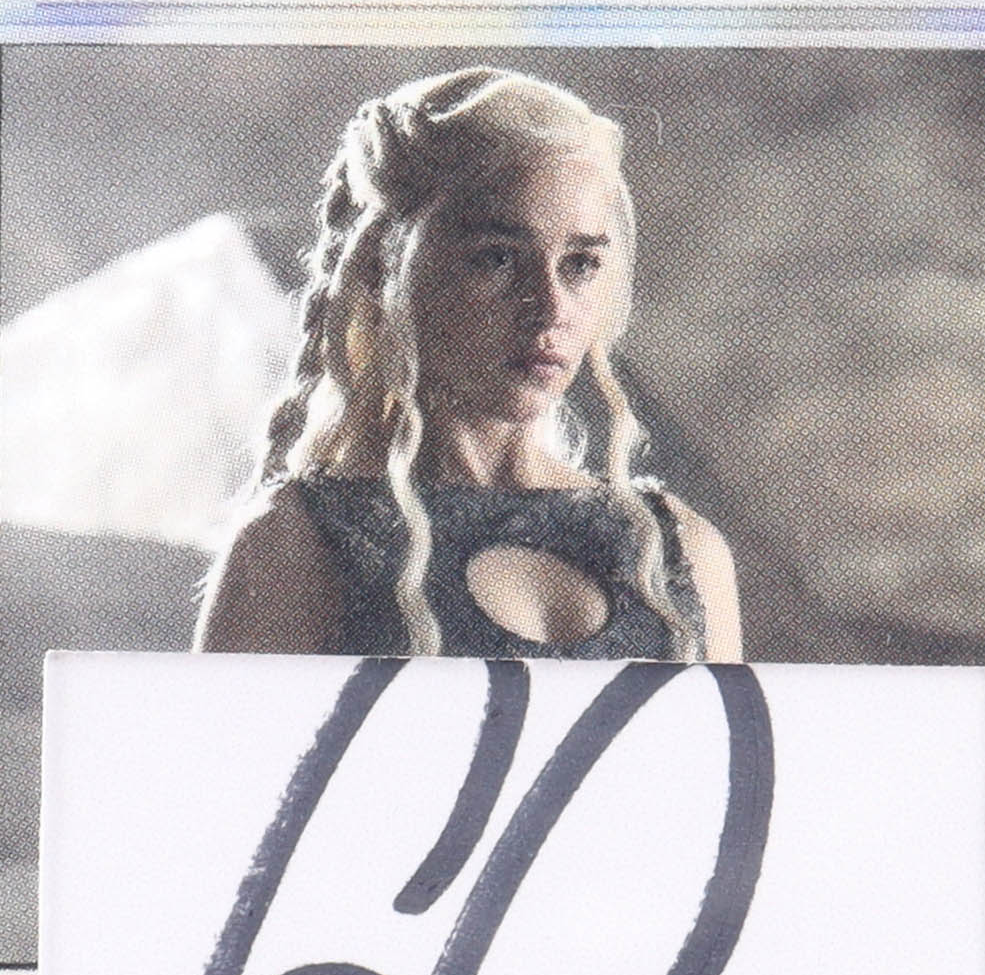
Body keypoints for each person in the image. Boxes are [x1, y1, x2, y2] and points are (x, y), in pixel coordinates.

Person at [196, 66, 741, 661]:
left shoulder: (682, 551)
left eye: (580, 264)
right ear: (385, 267)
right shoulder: (298, 546)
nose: (551, 307)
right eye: (498, 258)